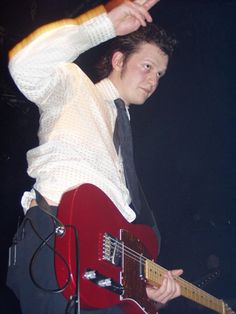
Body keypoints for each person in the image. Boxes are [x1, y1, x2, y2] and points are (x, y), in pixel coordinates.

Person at [7, 0, 183, 313]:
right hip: (58, 243)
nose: (154, 80)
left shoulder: (122, 133)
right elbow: (24, 66)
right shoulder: (74, 86)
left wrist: (144, 289)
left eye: (160, 74)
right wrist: (102, 26)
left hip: (104, 270)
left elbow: (121, 224)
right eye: (147, 66)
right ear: (119, 60)